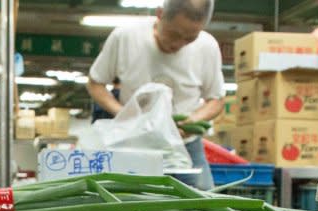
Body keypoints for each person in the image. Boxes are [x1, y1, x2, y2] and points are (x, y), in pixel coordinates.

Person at [87, 0, 224, 190]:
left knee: (206, 205)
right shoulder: (126, 37)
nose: (179, 44)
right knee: (130, 202)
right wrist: (125, 114)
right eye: (174, 34)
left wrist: (193, 120)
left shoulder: (207, 46)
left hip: (185, 145)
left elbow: (216, 99)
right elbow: (96, 83)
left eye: (190, 38)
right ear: (160, 14)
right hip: (135, 144)